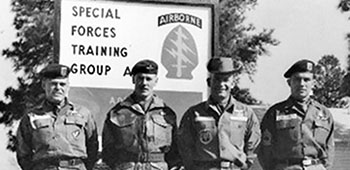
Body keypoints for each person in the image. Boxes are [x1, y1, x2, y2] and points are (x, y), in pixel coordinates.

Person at [178, 57, 261, 170]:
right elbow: (184, 148)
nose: (221, 84)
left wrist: (246, 165)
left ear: (233, 83)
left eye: (226, 79)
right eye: (217, 79)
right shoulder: (194, 114)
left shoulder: (247, 113)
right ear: (209, 82)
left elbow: (254, 148)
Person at [101, 59, 182, 170]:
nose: (144, 83)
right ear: (134, 79)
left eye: (148, 79)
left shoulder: (167, 114)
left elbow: (175, 152)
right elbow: (108, 151)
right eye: (140, 78)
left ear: (156, 81)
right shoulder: (117, 112)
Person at [16, 64, 98, 170]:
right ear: (44, 85)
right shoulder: (32, 116)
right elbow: (23, 154)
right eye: (53, 84)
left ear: (68, 86)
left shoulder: (84, 114)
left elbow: (93, 148)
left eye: (62, 84)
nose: (58, 88)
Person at [258, 59, 335, 170]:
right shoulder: (275, 113)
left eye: (306, 80)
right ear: (289, 83)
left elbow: (330, 149)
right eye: (297, 79)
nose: (302, 84)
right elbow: (265, 150)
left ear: (314, 83)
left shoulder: (324, 114)